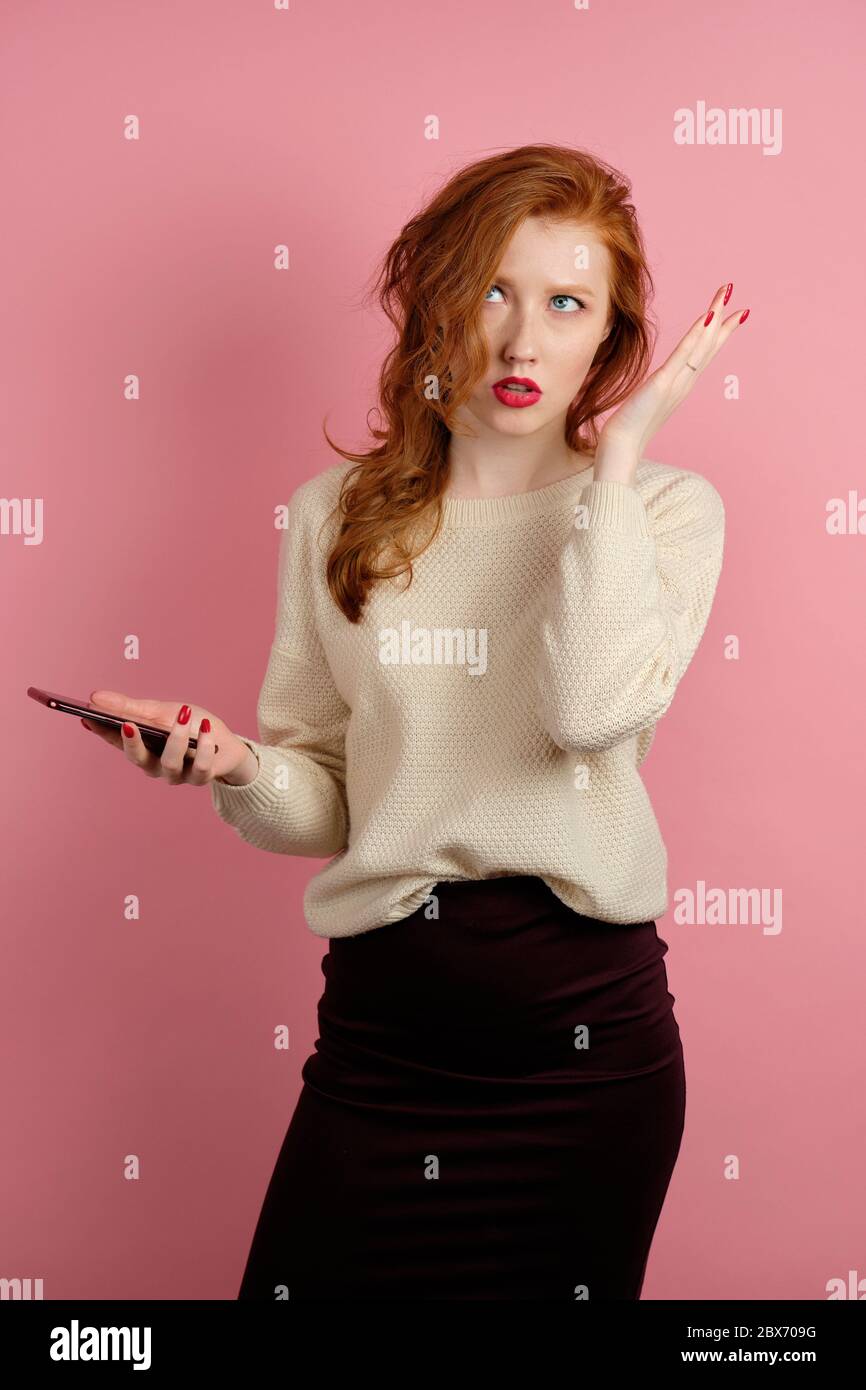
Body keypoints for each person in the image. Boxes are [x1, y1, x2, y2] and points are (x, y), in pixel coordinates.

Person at [82, 143, 741, 1300]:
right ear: (437, 295)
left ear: (608, 337)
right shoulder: (331, 514)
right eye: (491, 287)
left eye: (564, 303)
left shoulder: (662, 512)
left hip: (582, 1063)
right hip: (382, 1049)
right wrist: (235, 764)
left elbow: (585, 714)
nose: (521, 337)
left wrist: (618, 463)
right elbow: (329, 799)